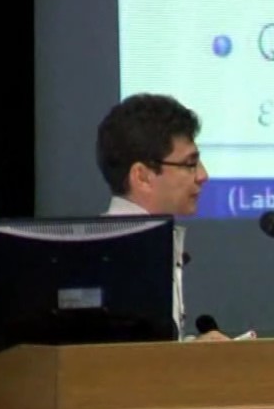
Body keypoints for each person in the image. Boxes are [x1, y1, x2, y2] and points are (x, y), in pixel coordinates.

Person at [96, 92, 230, 342]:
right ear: (142, 176)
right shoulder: (107, 256)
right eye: (189, 164)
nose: (203, 175)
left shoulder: (155, 242)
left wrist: (194, 349)